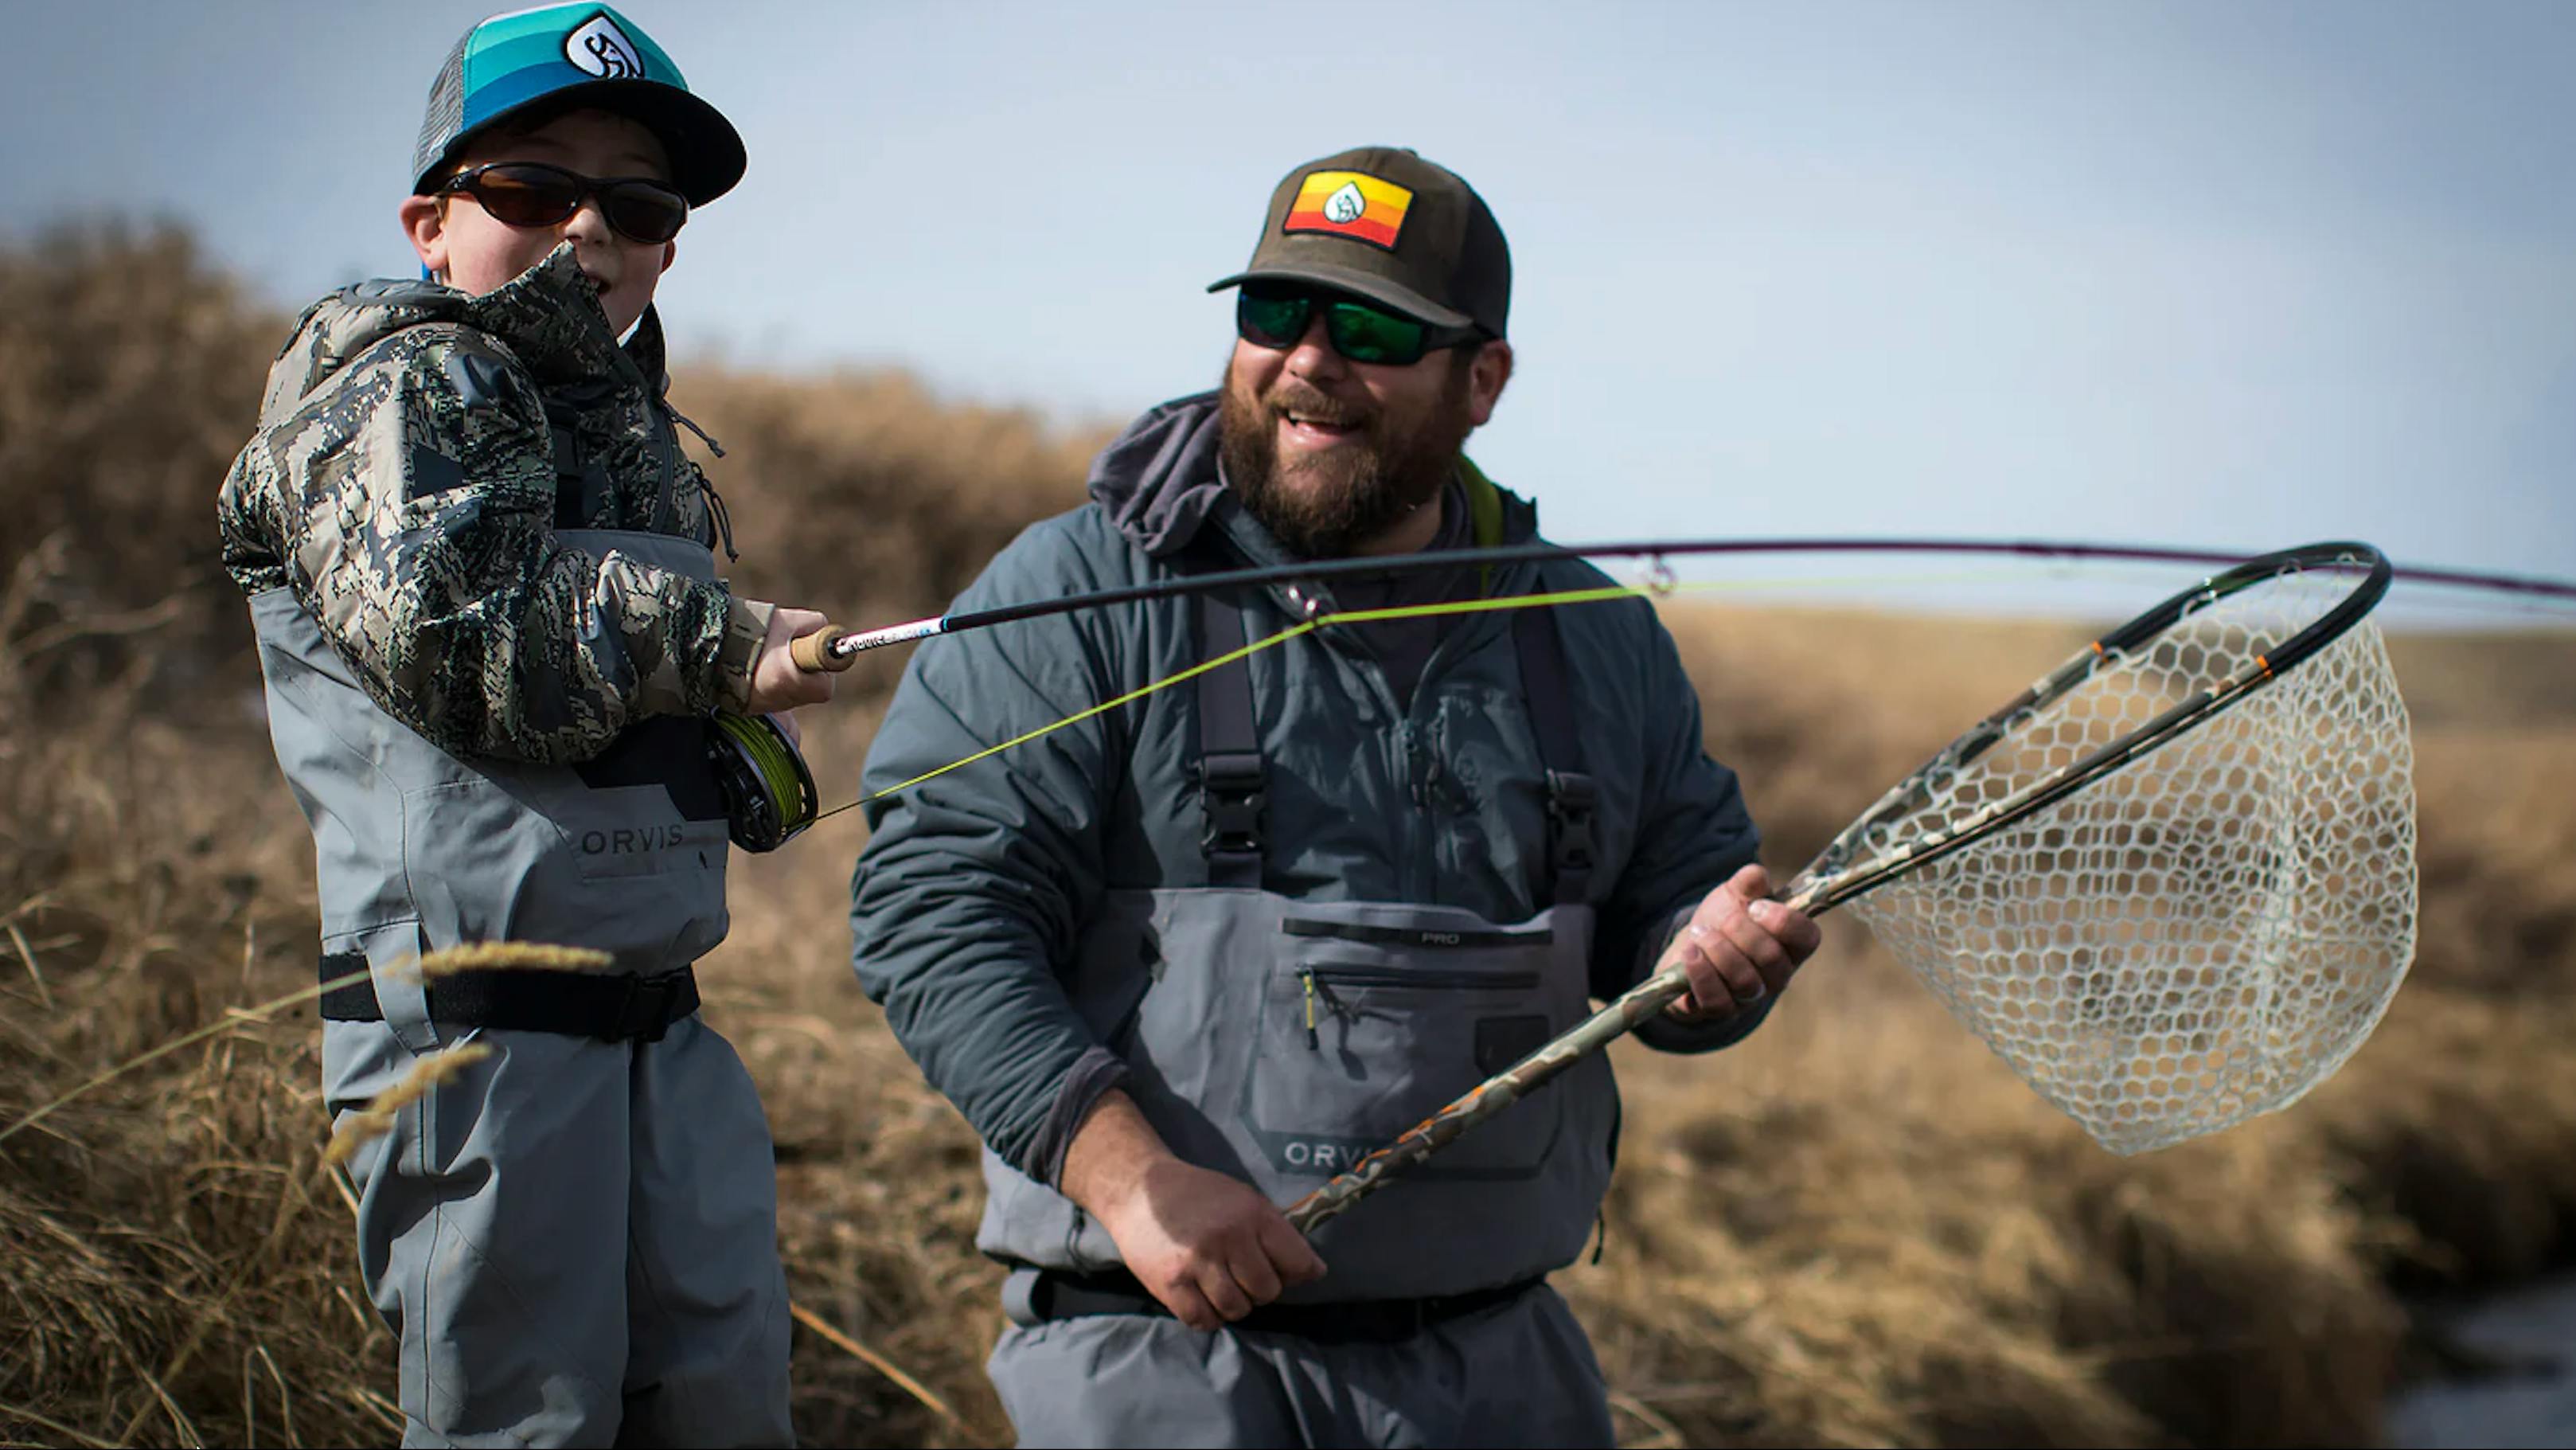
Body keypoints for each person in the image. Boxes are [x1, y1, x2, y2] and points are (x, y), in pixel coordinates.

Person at [847, 145, 1822, 1448]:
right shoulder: (1071, 593)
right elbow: (932, 908)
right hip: (1155, 1355)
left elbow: (1675, 905)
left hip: (1506, 1369)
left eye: (1368, 327)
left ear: (1484, 380)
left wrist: (1707, 960)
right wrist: (1126, 1177)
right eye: (1272, 313)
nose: (1307, 359)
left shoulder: (1600, 634)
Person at [217, 6, 831, 1444]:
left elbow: (632, 706)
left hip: (665, 1041)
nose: (585, 232)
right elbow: (455, 632)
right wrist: (720, 645)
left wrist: (743, 740)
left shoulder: (632, 430)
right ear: (432, 221)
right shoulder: (394, 385)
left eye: (633, 203)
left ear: (670, 240)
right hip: (478, 1054)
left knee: (726, 1409)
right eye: (533, 189)